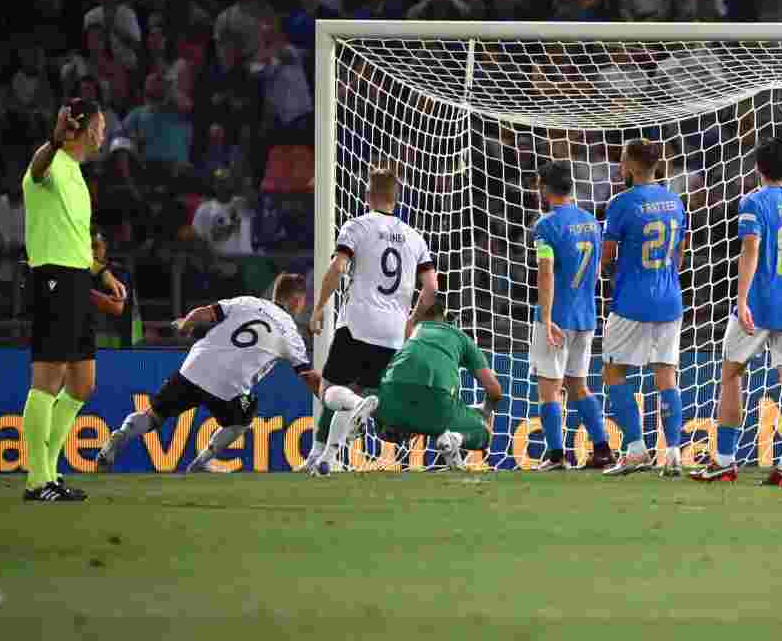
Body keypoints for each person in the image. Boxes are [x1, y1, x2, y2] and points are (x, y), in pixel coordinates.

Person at [689, 137, 782, 486]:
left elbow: (750, 249)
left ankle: (724, 460)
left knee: (732, 374)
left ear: (758, 168)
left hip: (760, 305)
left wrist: (742, 299)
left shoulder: (753, 202)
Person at [96, 274, 321, 473]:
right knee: (243, 417)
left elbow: (203, 313)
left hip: (194, 368)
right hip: (229, 389)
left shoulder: (247, 302)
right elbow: (307, 376)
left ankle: (121, 435)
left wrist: (185, 325)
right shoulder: (291, 334)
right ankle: (201, 462)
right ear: (297, 301)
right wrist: (330, 396)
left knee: (153, 415)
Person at [300, 166, 437, 474]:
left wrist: (319, 307)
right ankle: (323, 458)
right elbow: (431, 288)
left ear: (368, 195)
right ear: (397, 197)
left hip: (358, 323)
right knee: (361, 392)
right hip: (393, 332)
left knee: (329, 391)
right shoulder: (415, 238)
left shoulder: (357, 226)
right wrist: (411, 320)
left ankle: (329, 441)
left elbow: (338, 268)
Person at [20, 99, 125, 502]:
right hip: (52, 278)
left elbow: (79, 237)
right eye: (99, 126)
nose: (103, 133)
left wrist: (102, 273)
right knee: (47, 379)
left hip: (77, 278)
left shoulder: (78, 176)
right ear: (81, 128)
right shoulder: (50, 163)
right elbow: (36, 169)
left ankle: (49, 469)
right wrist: (54, 138)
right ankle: (37, 479)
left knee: (82, 385)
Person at [314, 298, 503, 473]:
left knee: (342, 393)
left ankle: (323, 453)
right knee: (484, 432)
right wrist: (485, 410)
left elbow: (379, 373)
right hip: (439, 407)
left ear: (415, 313)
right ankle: (454, 438)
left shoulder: (404, 332)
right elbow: (494, 390)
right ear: (445, 317)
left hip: (393, 401)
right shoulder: (459, 337)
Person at [600, 139, 688, 476]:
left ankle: (636, 449)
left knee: (613, 371)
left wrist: (617, 277)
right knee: (666, 375)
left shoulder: (621, 203)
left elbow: (607, 257)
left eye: (622, 159)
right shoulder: (675, 201)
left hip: (632, 300)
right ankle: (675, 453)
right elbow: (679, 253)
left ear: (632, 166)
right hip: (669, 298)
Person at [529, 161, 612, 470]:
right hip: (586, 315)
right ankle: (602, 448)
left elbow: (546, 272)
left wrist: (548, 317)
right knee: (578, 385)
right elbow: (597, 267)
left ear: (545, 189)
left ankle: (555, 455)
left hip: (557, 316)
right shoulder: (591, 222)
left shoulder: (546, 225)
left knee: (549, 387)